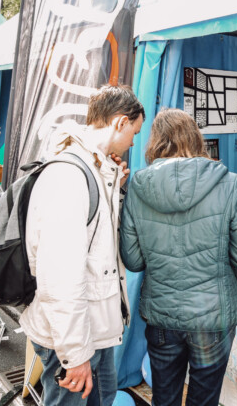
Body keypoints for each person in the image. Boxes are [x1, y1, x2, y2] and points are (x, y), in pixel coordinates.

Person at [120, 108, 237, 406]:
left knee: (165, 399)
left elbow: (132, 262)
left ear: (155, 142)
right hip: (213, 315)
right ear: (196, 138)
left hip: (162, 315)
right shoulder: (229, 182)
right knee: (204, 400)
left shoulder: (137, 187)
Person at [20, 85, 144, 405]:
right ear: (119, 122)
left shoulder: (94, 168)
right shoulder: (70, 175)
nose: (133, 141)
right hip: (72, 339)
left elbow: (96, 243)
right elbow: (59, 276)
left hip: (93, 330)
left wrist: (115, 183)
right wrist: (75, 355)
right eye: (133, 131)